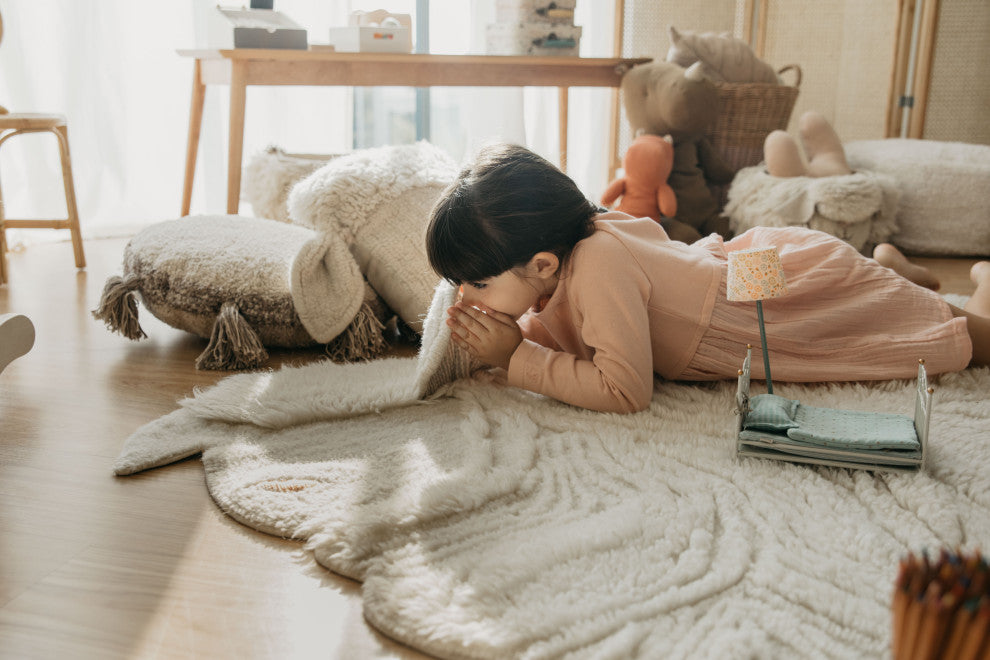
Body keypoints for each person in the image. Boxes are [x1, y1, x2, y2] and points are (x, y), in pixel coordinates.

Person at [426, 143, 990, 414]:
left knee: (960, 341)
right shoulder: (572, 240)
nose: (467, 297)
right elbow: (578, 330)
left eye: (477, 283)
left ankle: (900, 277)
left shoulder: (597, 262)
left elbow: (624, 390)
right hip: (754, 273)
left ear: (543, 264)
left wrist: (517, 359)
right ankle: (889, 268)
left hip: (784, 300)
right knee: (895, 298)